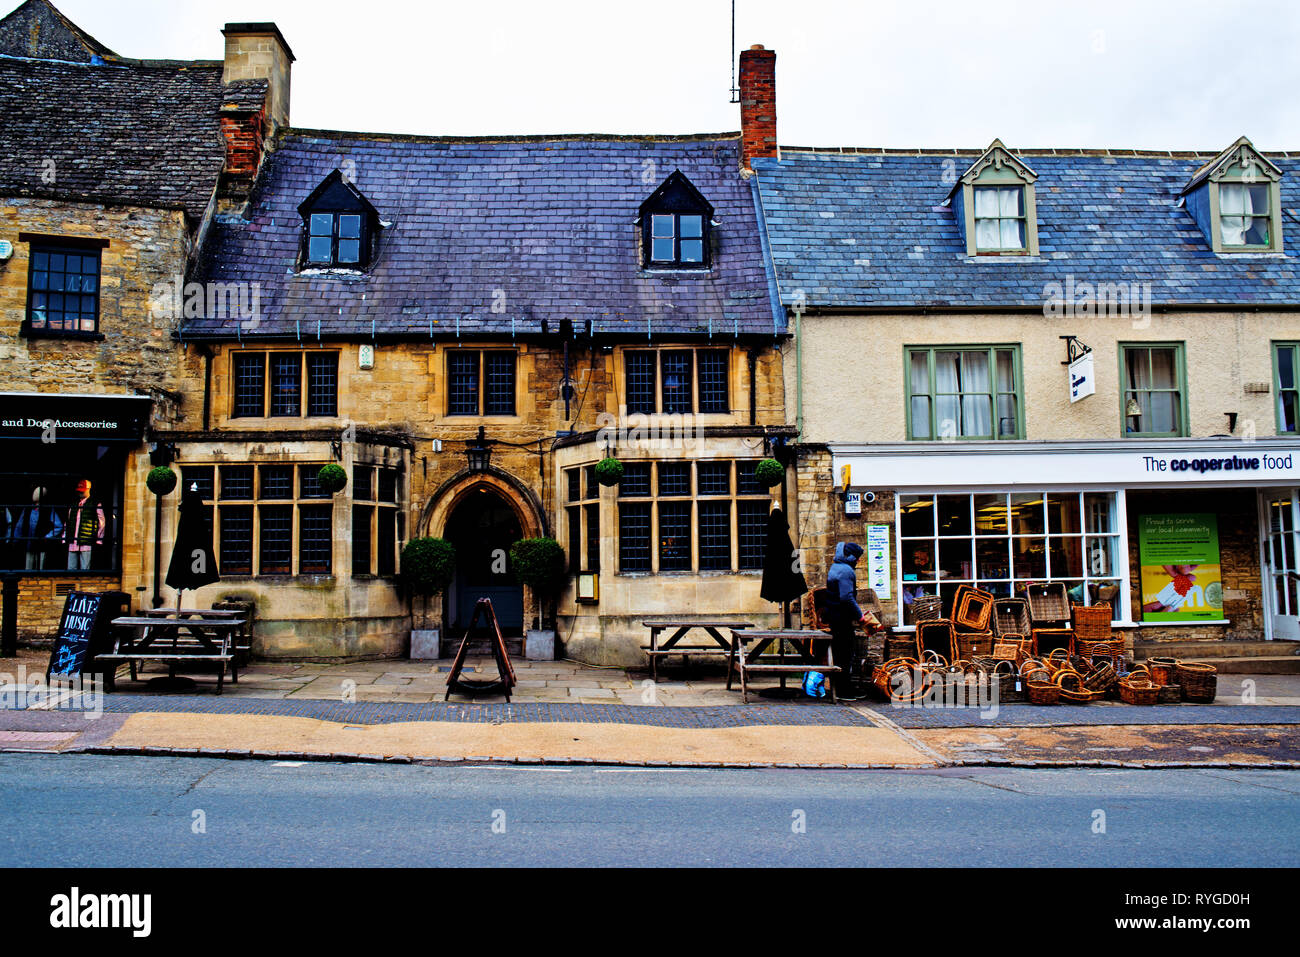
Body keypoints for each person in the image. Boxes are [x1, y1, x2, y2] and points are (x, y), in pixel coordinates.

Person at [825, 542, 867, 696]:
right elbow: (847, 597)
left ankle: (840, 687)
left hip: (834, 616)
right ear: (851, 557)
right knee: (846, 653)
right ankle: (844, 690)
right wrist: (860, 616)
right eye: (857, 558)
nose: (859, 561)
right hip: (842, 618)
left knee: (839, 652)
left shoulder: (835, 567)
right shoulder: (846, 571)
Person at [64, 479, 106, 571]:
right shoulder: (74, 504)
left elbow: (102, 523)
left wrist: (99, 539)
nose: (80, 493)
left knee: (85, 568)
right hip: (73, 540)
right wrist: (65, 536)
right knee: (71, 568)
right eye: (79, 491)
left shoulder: (95, 503)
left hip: (87, 541)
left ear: (88, 489)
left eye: (82, 491)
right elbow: (68, 521)